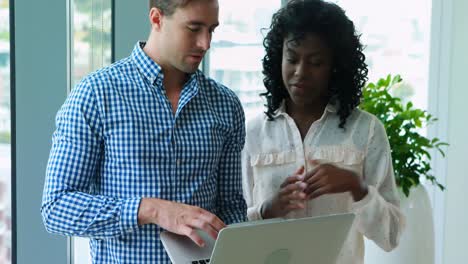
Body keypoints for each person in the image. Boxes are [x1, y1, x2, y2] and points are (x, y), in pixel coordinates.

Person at [41, 0, 247, 263]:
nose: (205, 43)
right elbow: (56, 208)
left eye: (211, 30)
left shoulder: (226, 105)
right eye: (194, 29)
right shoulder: (96, 95)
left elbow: (232, 209)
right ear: (157, 18)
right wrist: (151, 210)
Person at [242, 0, 405, 263]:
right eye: (292, 59)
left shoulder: (366, 130)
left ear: (335, 66)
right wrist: (267, 210)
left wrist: (357, 187)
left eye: (316, 62)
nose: (300, 72)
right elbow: (231, 230)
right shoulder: (253, 134)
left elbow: (391, 236)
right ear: (278, 57)